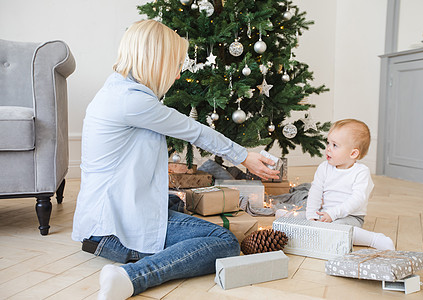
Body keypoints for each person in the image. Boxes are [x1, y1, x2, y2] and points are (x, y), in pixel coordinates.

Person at [71, 20, 279, 300]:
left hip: (103, 223)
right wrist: (244, 157)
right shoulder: (131, 101)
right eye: (176, 64)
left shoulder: (117, 91)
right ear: (156, 61)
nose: (179, 73)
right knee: (224, 243)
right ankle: (130, 278)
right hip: (112, 230)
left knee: (176, 203)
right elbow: (196, 131)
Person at [277, 119, 395, 250]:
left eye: (335, 145)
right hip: (324, 213)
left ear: (353, 153)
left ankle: (374, 239)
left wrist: (333, 214)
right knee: (300, 219)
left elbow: (357, 200)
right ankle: (289, 218)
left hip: (350, 217)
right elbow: (315, 191)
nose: (328, 148)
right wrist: (311, 215)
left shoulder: (361, 172)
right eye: (328, 143)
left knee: (338, 230)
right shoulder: (324, 167)